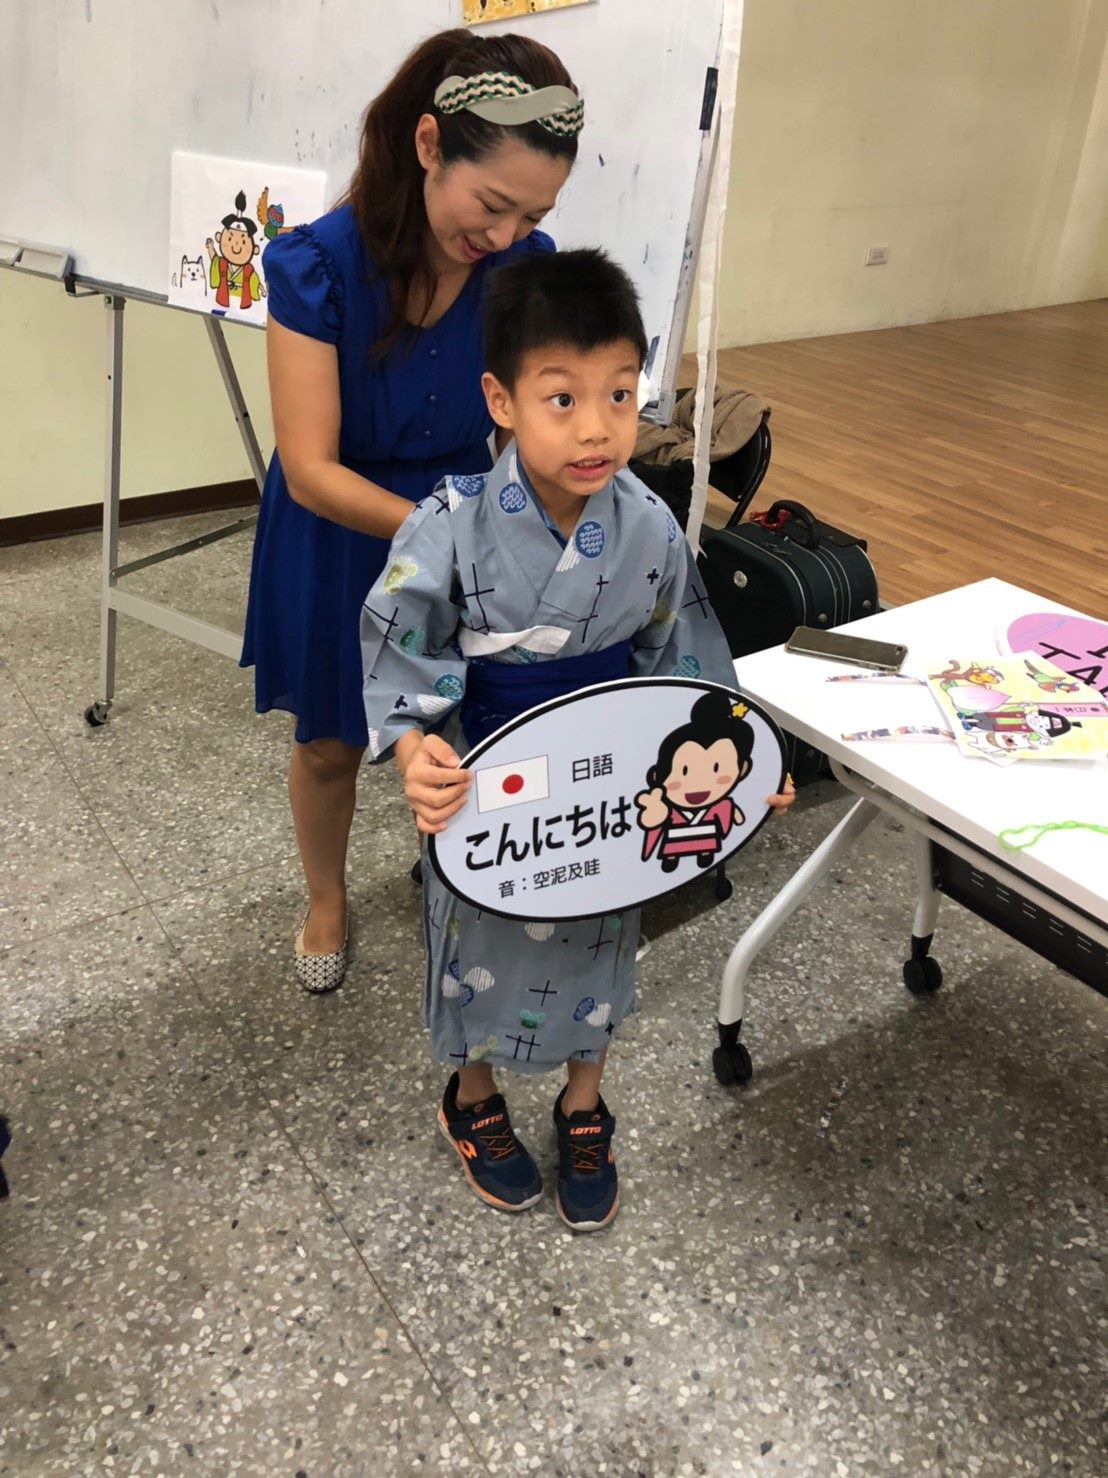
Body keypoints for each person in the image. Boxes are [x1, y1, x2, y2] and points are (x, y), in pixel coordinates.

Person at [360, 250, 797, 1231]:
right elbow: (402, 641)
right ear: (501, 398)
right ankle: (471, 1094)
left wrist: (738, 759)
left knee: (607, 929)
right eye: (562, 397)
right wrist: (414, 747)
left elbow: (683, 654)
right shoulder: (452, 528)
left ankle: (582, 1100)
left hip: (605, 783)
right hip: (492, 777)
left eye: (619, 394)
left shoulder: (646, 525)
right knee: (474, 929)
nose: (598, 426)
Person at [240, 29, 583, 993]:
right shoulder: (317, 267)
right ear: (429, 145)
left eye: (535, 213)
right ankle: (325, 897)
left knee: (467, 725)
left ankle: (463, 876)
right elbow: (310, 468)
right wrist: (458, 537)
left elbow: (534, 404)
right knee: (331, 740)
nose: (509, 236)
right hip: (343, 531)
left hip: (465, 523)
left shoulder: (522, 268)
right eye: (494, 205)